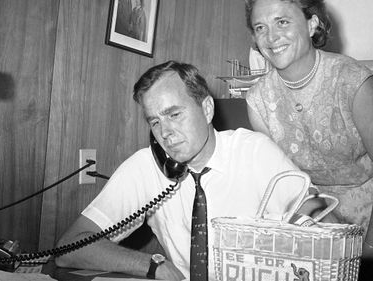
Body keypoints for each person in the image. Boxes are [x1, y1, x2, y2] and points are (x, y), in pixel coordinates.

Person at [55, 61, 308, 280]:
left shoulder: (255, 152)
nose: (165, 133)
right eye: (155, 121)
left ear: (207, 109)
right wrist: (151, 265)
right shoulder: (146, 167)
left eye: (174, 114)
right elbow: (69, 248)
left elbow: (327, 229)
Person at [243, 0, 373, 280]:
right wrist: (323, 238)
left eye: (282, 22)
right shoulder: (258, 101)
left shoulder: (353, 80)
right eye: (260, 27)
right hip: (323, 221)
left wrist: (368, 254)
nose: (271, 36)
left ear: (311, 23)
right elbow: (287, 184)